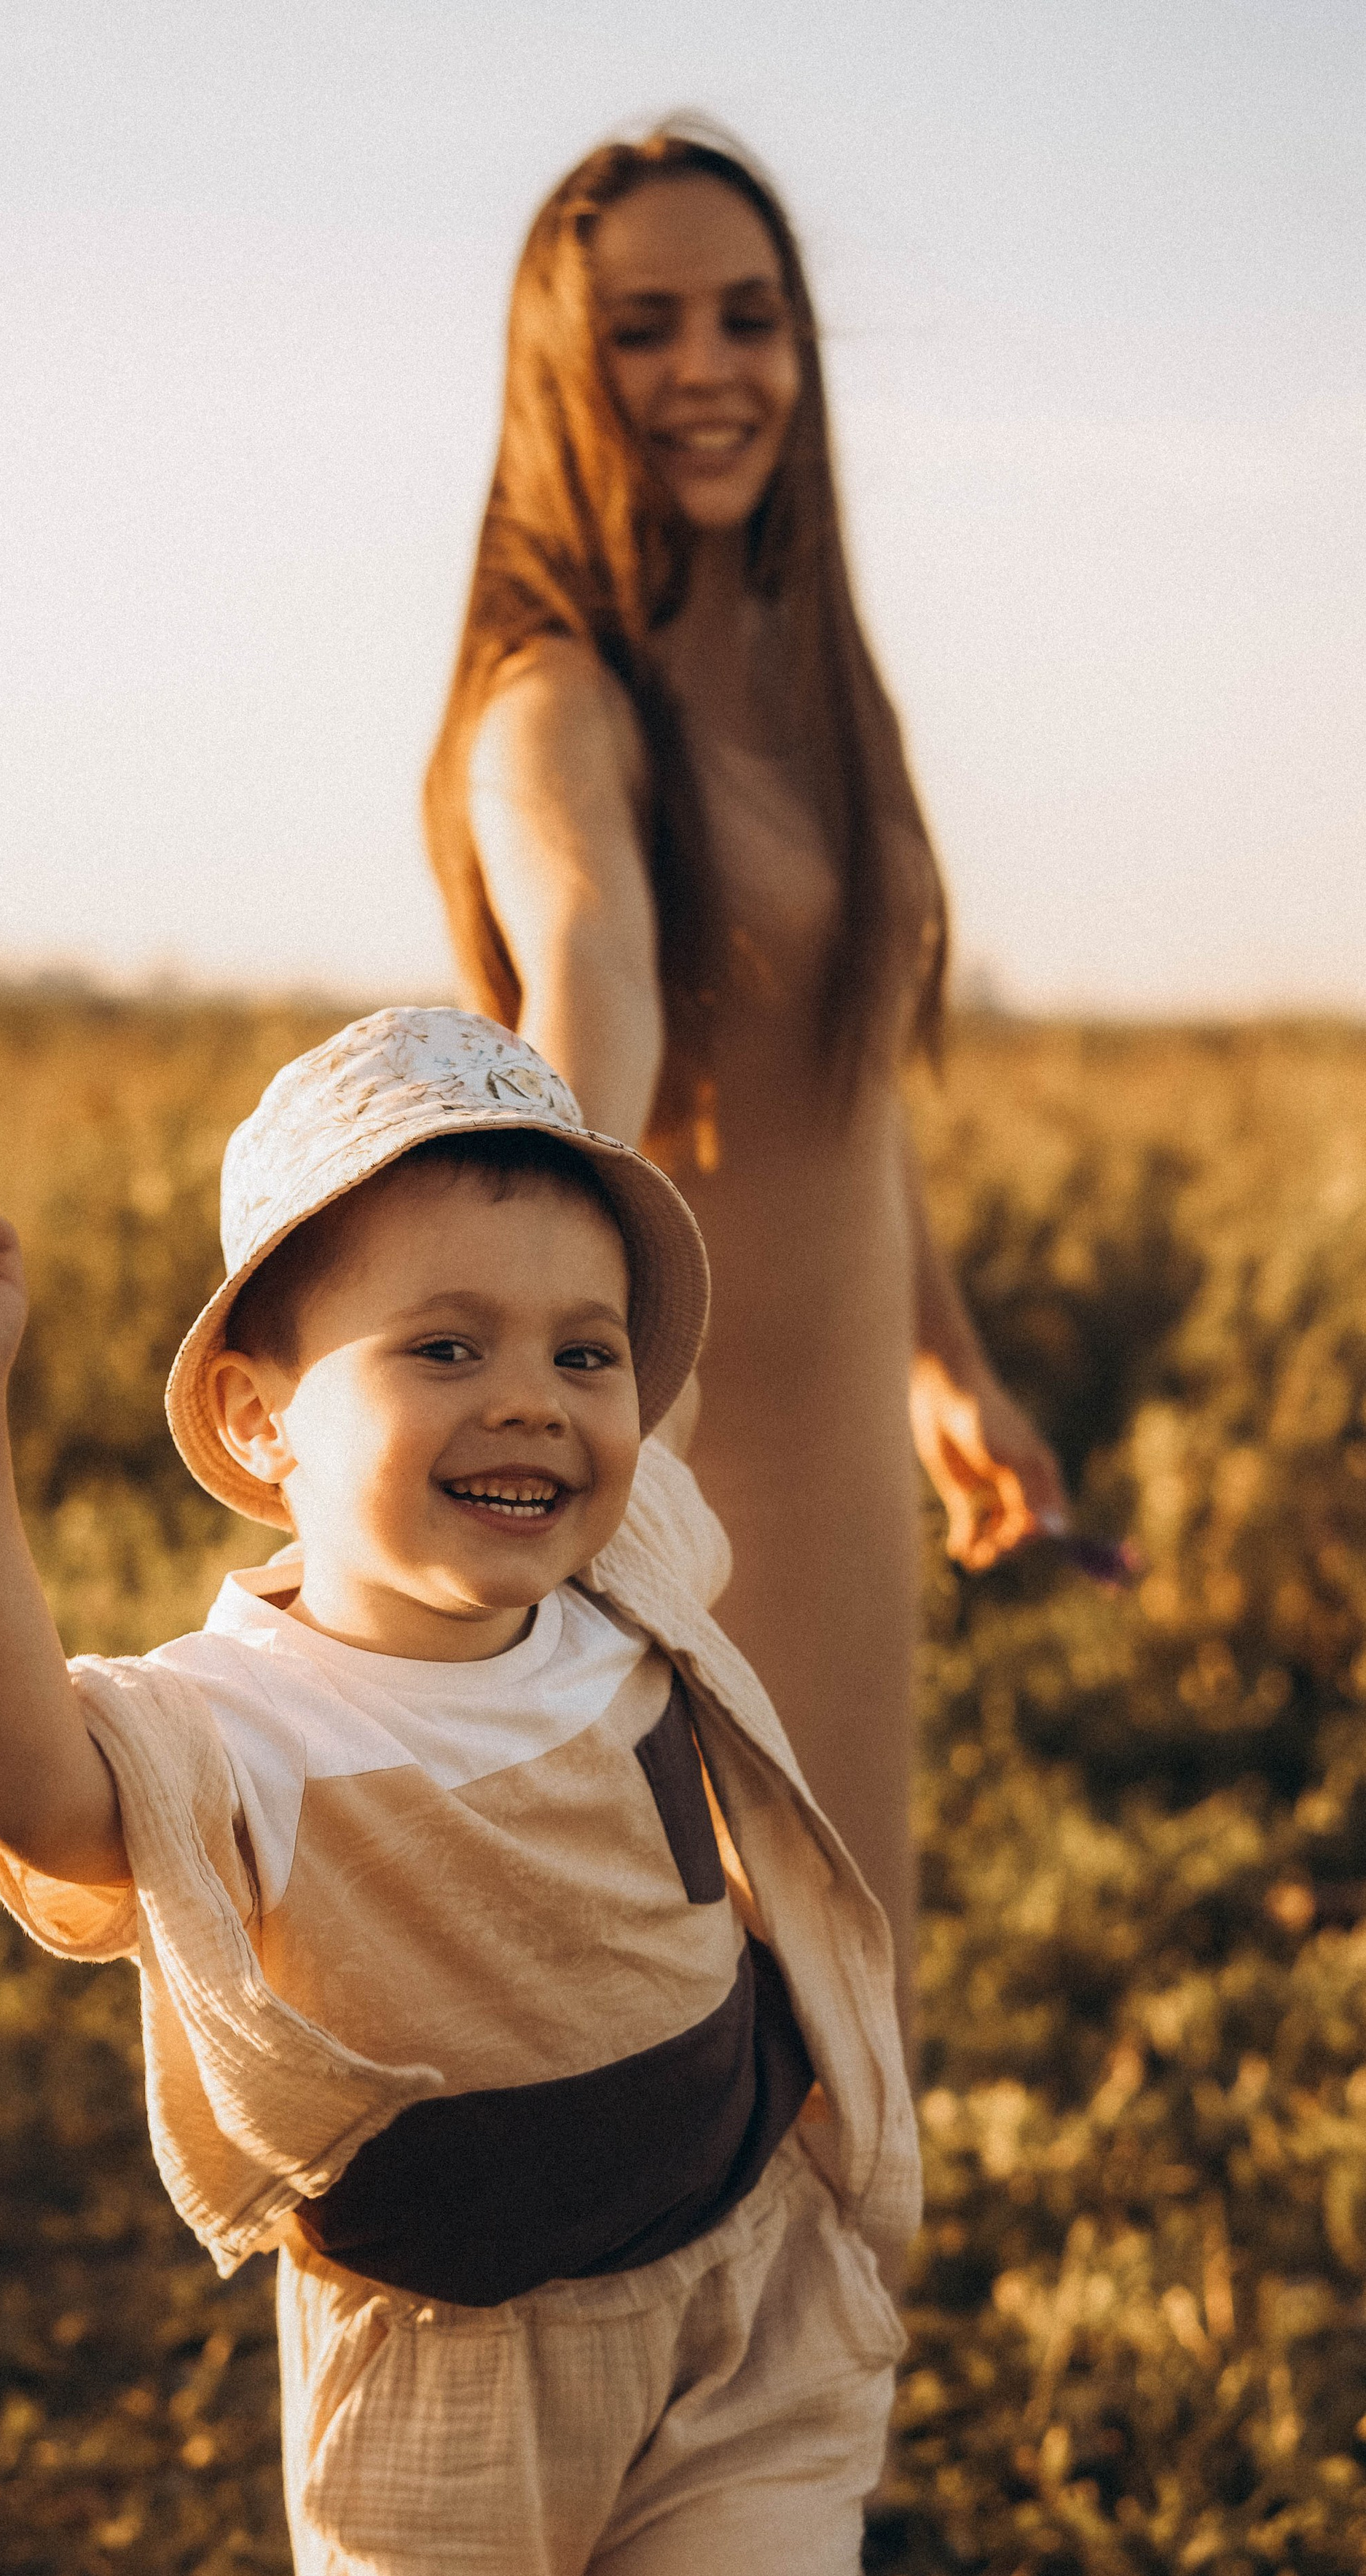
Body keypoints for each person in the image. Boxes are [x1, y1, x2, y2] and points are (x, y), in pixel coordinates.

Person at [0, 1003, 919, 2576]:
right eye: (445, 1345)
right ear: (258, 1424)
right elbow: (23, 1782)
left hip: (732, 2325)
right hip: (441, 2396)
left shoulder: (624, 1577)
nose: (532, 1401)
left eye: (583, 1352)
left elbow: (656, 1389)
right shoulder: (241, 1725)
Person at [425, 122, 1067, 2083]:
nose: (710, 367)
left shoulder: (816, 685)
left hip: (844, 1482)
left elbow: (846, 1088)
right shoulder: (554, 704)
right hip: (671, 1488)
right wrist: (525, 1317)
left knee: (846, 2050)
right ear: (560, 367)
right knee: (685, 2094)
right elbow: (588, 992)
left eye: (749, 318)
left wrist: (943, 1362)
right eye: (643, 328)